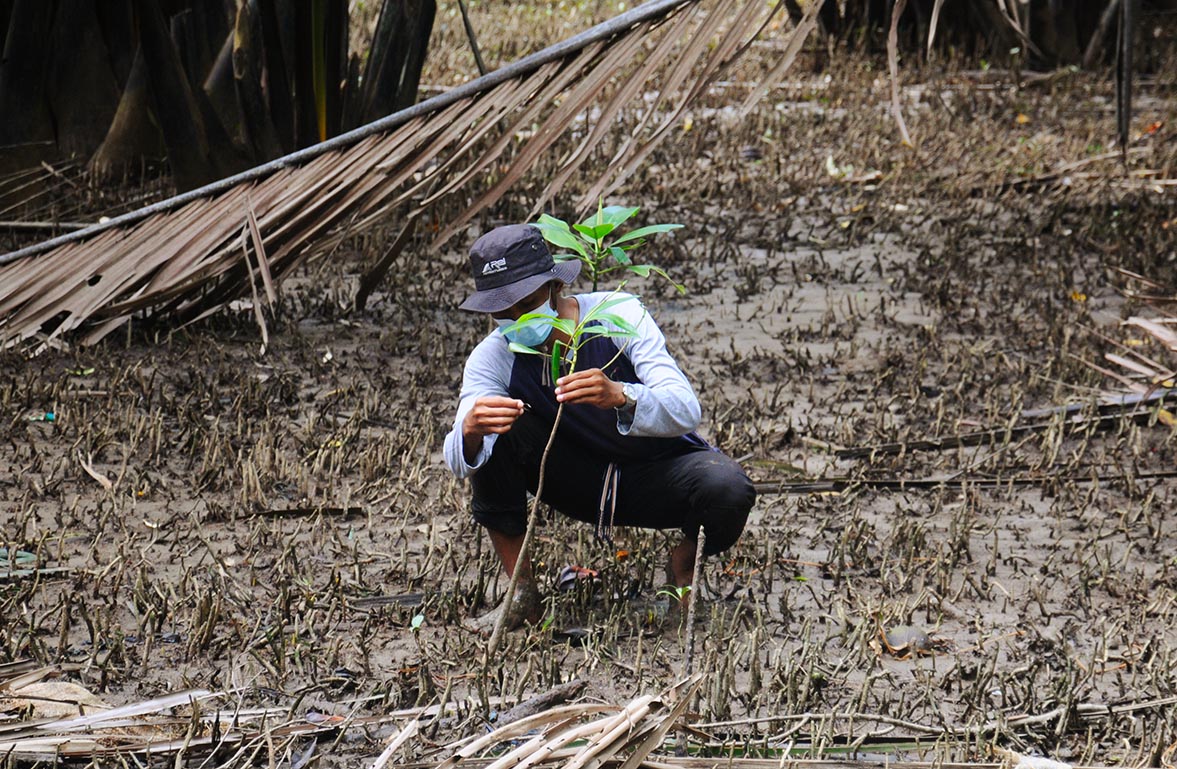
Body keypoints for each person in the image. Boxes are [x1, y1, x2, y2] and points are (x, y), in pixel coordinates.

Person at [443, 223, 755, 629]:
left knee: (728, 488)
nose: (518, 318)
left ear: (555, 286)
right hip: (574, 481)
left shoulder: (617, 313)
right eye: (504, 311)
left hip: (655, 474)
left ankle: (683, 564)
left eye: (529, 302)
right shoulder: (493, 357)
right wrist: (470, 429)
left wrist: (621, 395)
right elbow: (457, 459)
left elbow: (685, 409)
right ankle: (522, 593)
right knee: (496, 428)